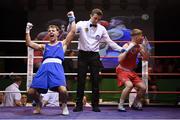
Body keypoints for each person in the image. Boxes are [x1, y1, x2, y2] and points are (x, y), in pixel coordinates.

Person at [73, 8, 124, 112]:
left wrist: (121, 49)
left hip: (94, 56)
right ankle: (78, 105)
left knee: (95, 81)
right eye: (95, 18)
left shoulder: (102, 28)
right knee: (81, 80)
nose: (96, 21)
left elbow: (109, 42)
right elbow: (72, 30)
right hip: (82, 55)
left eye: (98, 19)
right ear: (90, 15)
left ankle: (95, 105)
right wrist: (71, 21)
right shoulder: (81, 24)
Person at [25, 11, 76, 115]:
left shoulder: (62, 44)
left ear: (58, 33)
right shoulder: (44, 46)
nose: (51, 32)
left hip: (57, 68)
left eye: (53, 30)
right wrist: (27, 30)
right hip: (44, 69)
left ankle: (64, 106)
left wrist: (72, 19)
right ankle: (39, 104)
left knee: (63, 90)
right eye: (49, 31)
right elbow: (29, 43)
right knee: (30, 92)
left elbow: (73, 32)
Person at [116, 29, 149, 112]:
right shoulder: (126, 45)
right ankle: (120, 105)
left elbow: (146, 59)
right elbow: (119, 59)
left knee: (143, 87)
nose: (142, 38)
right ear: (136, 37)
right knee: (129, 85)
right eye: (141, 36)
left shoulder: (139, 46)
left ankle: (135, 103)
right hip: (122, 70)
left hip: (131, 71)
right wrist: (128, 49)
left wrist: (146, 49)